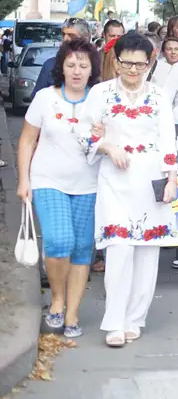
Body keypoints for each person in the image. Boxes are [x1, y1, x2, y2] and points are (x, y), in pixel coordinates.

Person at [83, 31, 178, 348]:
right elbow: (84, 132)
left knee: (146, 252)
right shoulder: (100, 93)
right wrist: (107, 146)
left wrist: (172, 178)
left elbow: (168, 138)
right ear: (117, 60)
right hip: (114, 180)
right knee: (119, 247)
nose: (133, 71)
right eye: (127, 64)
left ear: (150, 63)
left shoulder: (159, 96)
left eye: (140, 64)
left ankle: (136, 317)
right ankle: (114, 321)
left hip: (150, 179)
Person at [17, 39, 101, 338]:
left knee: (81, 249)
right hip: (47, 180)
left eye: (83, 65)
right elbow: (27, 140)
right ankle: (57, 301)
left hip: (89, 185)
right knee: (58, 241)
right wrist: (24, 180)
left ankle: (73, 313)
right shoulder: (44, 98)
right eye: (70, 64)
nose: (76, 71)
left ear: (92, 69)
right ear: (61, 67)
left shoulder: (101, 100)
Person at [33, 18, 93, 96]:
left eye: (71, 35)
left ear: (85, 38)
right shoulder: (50, 65)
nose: (65, 39)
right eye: (63, 34)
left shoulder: (97, 65)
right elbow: (38, 100)